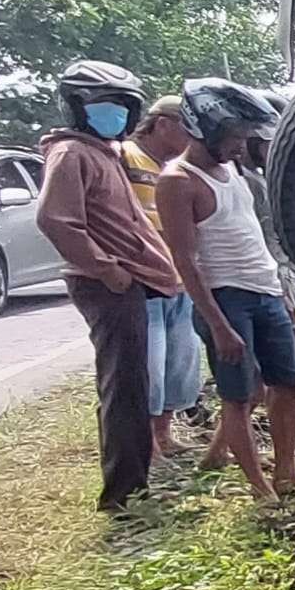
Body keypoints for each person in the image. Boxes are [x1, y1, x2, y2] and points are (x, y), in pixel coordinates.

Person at [36, 60, 180, 513]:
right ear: (78, 107)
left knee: (134, 384)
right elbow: (56, 221)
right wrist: (108, 270)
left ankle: (134, 485)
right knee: (123, 387)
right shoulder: (71, 154)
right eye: (103, 105)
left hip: (128, 282)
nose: (114, 113)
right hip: (107, 285)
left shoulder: (103, 152)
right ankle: (123, 495)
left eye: (121, 105)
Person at [156, 78, 295, 499]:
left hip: (264, 291)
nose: (241, 145)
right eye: (232, 137)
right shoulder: (177, 181)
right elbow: (185, 260)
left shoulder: (232, 170)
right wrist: (218, 325)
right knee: (238, 397)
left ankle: (287, 471)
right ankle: (259, 488)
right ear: (201, 129)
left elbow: (251, 234)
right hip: (225, 297)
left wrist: (280, 293)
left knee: (287, 385)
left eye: (243, 136)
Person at [120, 95, 204, 460]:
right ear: (163, 124)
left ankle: (164, 434)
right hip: (144, 280)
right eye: (186, 128)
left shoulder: (178, 168)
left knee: (179, 363)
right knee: (148, 365)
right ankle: (146, 444)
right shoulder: (123, 156)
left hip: (180, 277)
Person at [240, 89, 295, 418]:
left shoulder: (263, 180)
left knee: (292, 368)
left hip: (282, 278)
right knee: (280, 372)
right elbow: (260, 242)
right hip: (269, 283)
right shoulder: (246, 184)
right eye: (269, 142)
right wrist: (281, 289)